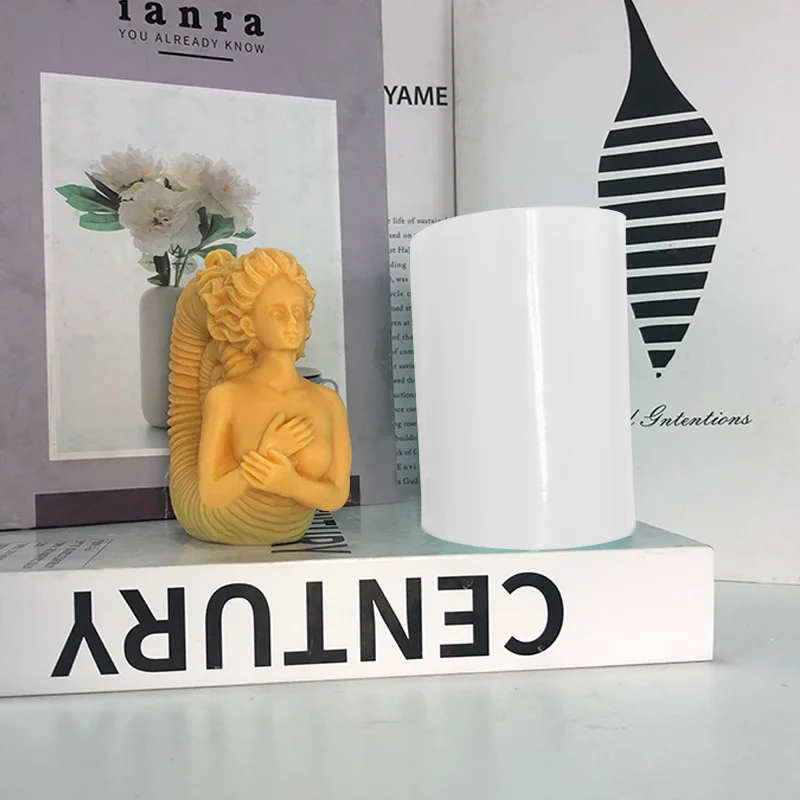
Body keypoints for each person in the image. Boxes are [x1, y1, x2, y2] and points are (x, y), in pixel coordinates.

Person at [168, 247, 351, 545]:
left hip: (294, 528)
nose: (291, 323)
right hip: (224, 521)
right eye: (277, 313)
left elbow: (337, 495)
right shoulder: (226, 397)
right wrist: (267, 455)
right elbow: (211, 495)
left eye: (298, 313)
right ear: (248, 323)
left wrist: (289, 483)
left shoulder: (328, 402)